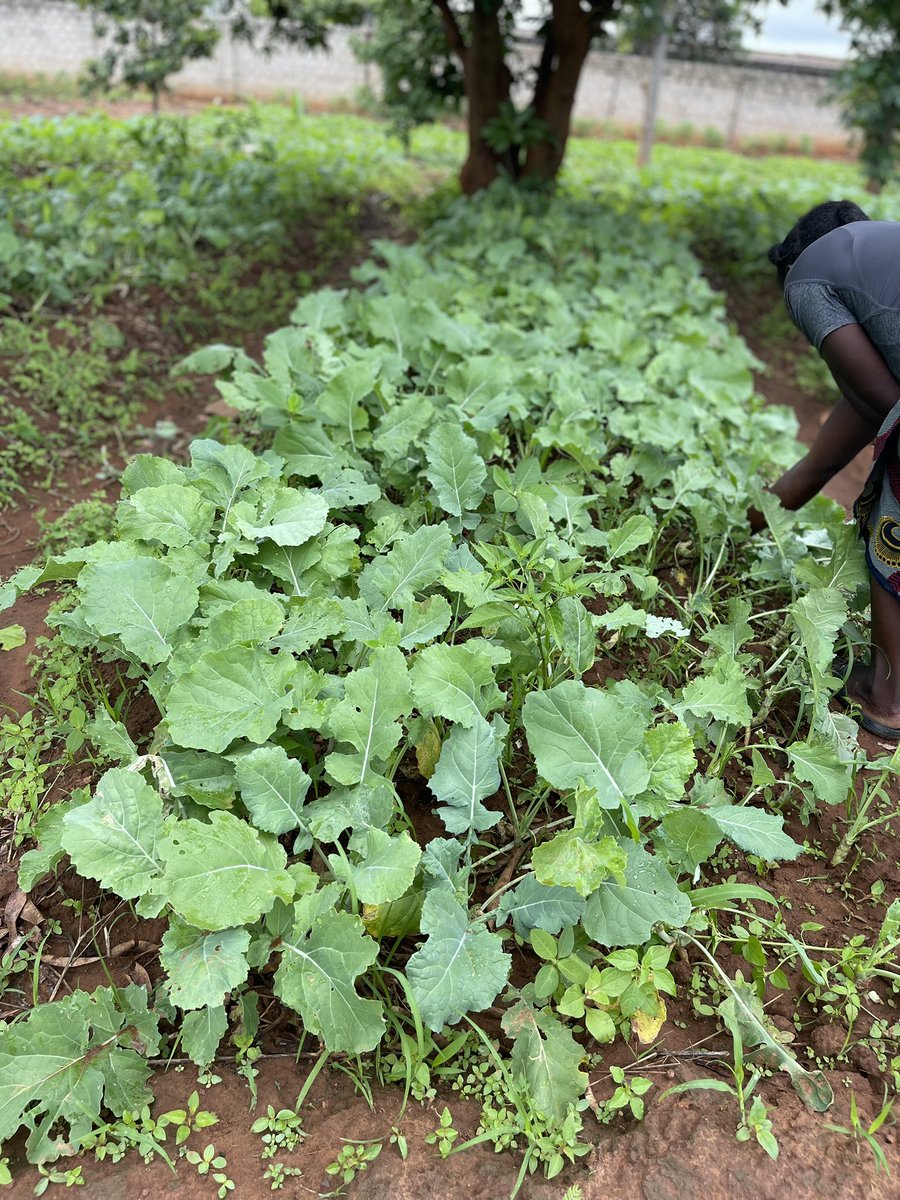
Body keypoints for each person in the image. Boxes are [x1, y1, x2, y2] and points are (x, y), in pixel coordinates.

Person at [765, 200, 900, 741]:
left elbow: (886, 407)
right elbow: (823, 459)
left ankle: (887, 698)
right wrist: (760, 516)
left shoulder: (804, 276)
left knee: (888, 523)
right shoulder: (879, 261)